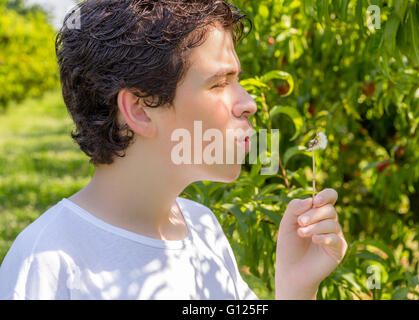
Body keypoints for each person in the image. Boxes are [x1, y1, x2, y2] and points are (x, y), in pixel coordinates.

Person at [0, 0, 347, 300]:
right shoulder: (47, 263)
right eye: (220, 83)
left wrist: (295, 285)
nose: (249, 103)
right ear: (139, 110)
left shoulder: (204, 229)